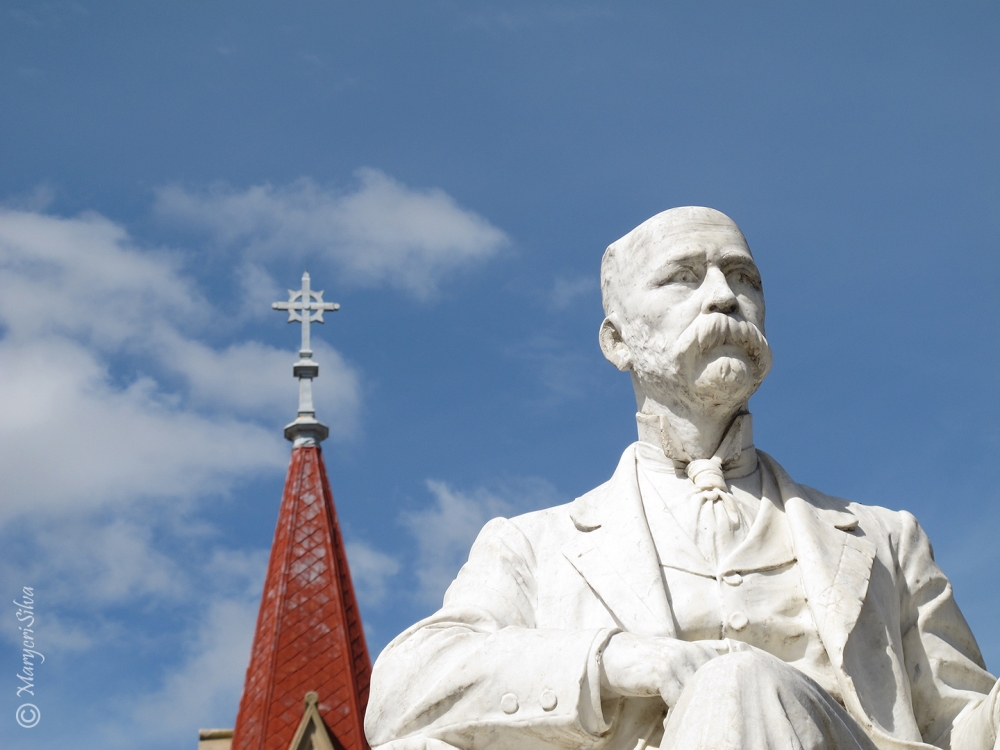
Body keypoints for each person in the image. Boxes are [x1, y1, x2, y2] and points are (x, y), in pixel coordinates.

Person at [365, 207, 1000, 750]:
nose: (725, 296)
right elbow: (402, 688)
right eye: (684, 278)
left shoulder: (886, 539)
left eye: (743, 277)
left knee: (741, 681)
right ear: (618, 341)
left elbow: (966, 724)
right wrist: (614, 660)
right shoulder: (535, 545)